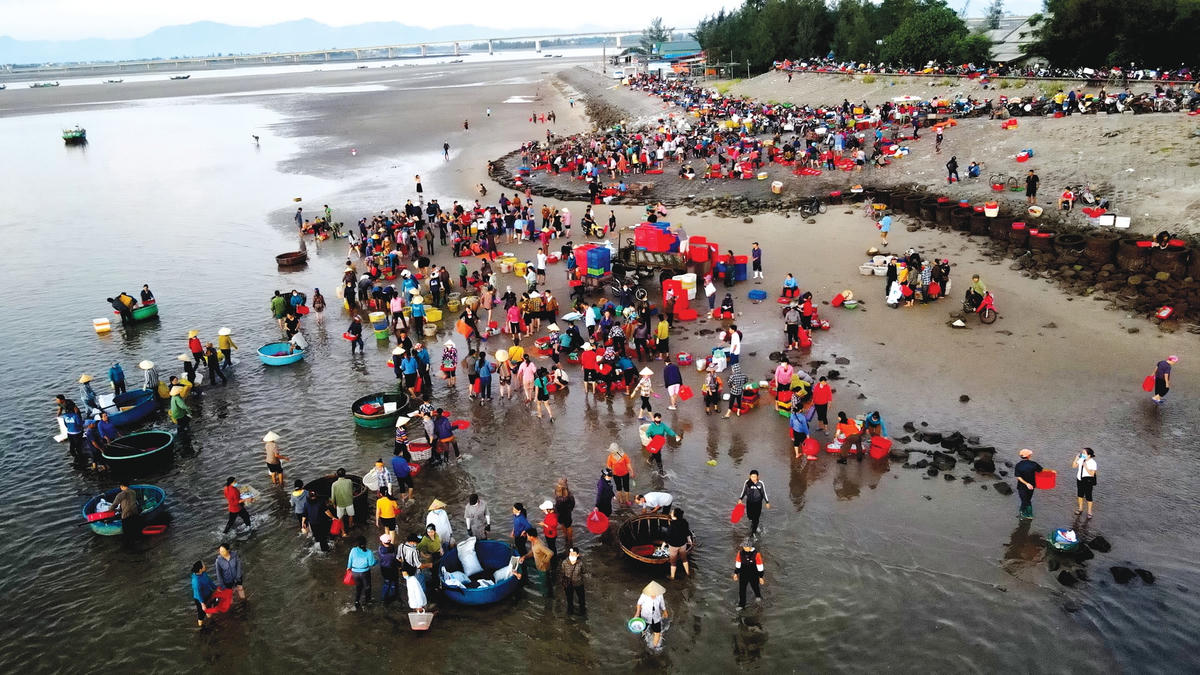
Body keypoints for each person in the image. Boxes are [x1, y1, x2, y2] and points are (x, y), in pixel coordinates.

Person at [634, 581, 668, 650]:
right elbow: (639, 604)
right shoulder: (644, 595)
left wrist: (665, 612)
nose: (653, 595)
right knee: (643, 628)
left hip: (656, 617)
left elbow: (662, 604)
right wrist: (637, 613)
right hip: (645, 616)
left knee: (657, 633)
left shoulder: (660, 595)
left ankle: (654, 647)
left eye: (655, 593)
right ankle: (643, 633)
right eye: (652, 594)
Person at [347, 535, 378, 610]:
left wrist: (348, 568)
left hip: (355, 572)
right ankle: (367, 601)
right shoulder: (369, 552)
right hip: (365, 572)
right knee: (367, 586)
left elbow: (350, 560)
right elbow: (371, 564)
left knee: (358, 587)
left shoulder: (353, 550)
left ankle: (357, 601)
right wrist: (376, 561)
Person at [733, 539, 766, 609]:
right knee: (742, 590)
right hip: (743, 574)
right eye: (744, 547)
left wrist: (761, 577)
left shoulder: (756, 554)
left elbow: (760, 566)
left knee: (755, 586)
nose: (745, 548)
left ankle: (758, 596)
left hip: (753, 574)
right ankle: (741, 604)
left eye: (746, 547)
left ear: (750, 546)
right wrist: (736, 573)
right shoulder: (740, 553)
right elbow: (738, 563)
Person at [1013, 448, 1044, 519]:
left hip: (1022, 486)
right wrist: (1051, 471)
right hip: (1032, 485)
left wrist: (1026, 483)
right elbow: (1041, 471)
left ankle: (1028, 515)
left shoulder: (1018, 465)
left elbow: (1018, 477)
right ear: (1029, 456)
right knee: (1027, 500)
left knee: (1024, 500)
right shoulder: (1034, 464)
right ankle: (1023, 512)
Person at [738, 470, 770, 536]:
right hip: (749, 502)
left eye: (755, 477)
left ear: (757, 477)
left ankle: (753, 533)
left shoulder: (760, 483)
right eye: (752, 477)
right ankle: (753, 523)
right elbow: (743, 491)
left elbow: (764, 493)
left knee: (756, 518)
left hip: (758, 503)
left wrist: (767, 502)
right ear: (750, 476)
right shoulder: (747, 482)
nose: (753, 478)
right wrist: (740, 499)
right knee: (749, 516)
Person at [665, 507, 692, 580]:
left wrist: (663, 544)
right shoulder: (684, 522)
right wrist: (689, 540)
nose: (671, 512)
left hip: (673, 546)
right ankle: (688, 573)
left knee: (673, 562)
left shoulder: (671, 526)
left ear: (674, 516)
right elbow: (687, 532)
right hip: (683, 544)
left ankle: (672, 577)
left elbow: (668, 537)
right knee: (684, 559)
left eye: (672, 512)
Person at [190, 561, 219, 627]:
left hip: (208, 594)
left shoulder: (203, 573)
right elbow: (198, 593)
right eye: (203, 565)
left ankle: (211, 620)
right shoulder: (196, 581)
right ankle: (201, 627)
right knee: (201, 614)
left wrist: (216, 588)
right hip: (200, 599)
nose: (205, 565)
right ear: (200, 569)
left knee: (210, 608)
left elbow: (209, 581)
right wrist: (202, 604)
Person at [1072, 448, 1098, 519]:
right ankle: (1080, 509)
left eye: (1084, 453)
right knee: (1080, 495)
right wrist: (1076, 459)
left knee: (1088, 496)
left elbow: (1092, 474)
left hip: (1088, 480)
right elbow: (1074, 466)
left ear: (1089, 455)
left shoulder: (1093, 463)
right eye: (1082, 452)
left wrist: (1085, 466)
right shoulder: (1081, 459)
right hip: (1079, 479)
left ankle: (1089, 512)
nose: (1082, 454)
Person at [561, 547, 587, 615]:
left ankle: (582, 610)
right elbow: (563, 572)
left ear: (578, 555)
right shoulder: (564, 562)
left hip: (579, 583)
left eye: (574, 554)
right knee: (569, 598)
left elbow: (584, 571)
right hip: (569, 584)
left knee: (581, 598)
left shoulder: (581, 563)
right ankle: (570, 610)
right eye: (570, 554)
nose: (571, 556)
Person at [378, 533, 400, 603]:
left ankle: (383, 598)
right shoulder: (393, 550)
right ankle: (392, 595)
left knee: (387, 583)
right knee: (393, 583)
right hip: (393, 570)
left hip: (384, 570)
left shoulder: (380, 549)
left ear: (382, 542)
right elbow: (397, 559)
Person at [553, 479, 576, 547]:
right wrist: (570, 509)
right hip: (566, 513)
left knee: (566, 526)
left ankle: (568, 539)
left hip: (561, 513)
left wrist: (555, 511)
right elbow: (573, 504)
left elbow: (557, 505)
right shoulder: (569, 494)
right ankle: (568, 539)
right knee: (567, 525)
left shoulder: (560, 495)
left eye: (559, 484)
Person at [331, 468, 355, 532]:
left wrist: (333, 504)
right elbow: (352, 490)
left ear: (337, 475)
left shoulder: (334, 484)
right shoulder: (349, 481)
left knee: (340, 518)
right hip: (349, 502)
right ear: (345, 474)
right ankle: (350, 525)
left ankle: (343, 532)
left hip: (340, 504)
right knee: (351, 515)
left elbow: (333, 496)